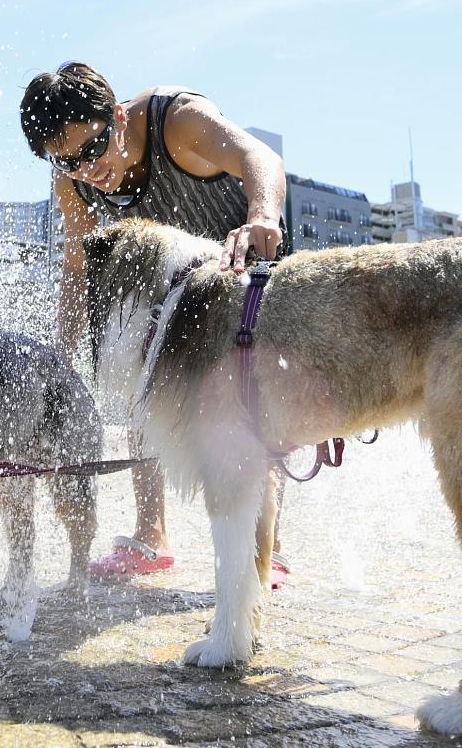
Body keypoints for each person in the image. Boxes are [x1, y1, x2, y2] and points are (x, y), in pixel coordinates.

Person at [20, 62, 291, 584]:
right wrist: (62, 355)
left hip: (239, 253)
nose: (86, 169)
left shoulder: (178, 121)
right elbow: (77, 272)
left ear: (118, 117)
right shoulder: (73, 178)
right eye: (68, 161)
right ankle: (151, 537)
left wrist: (261, 218)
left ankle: (266, 547)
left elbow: (260, 155)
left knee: (250, 397)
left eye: (93, 150)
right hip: (166, 278)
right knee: (135, 380)